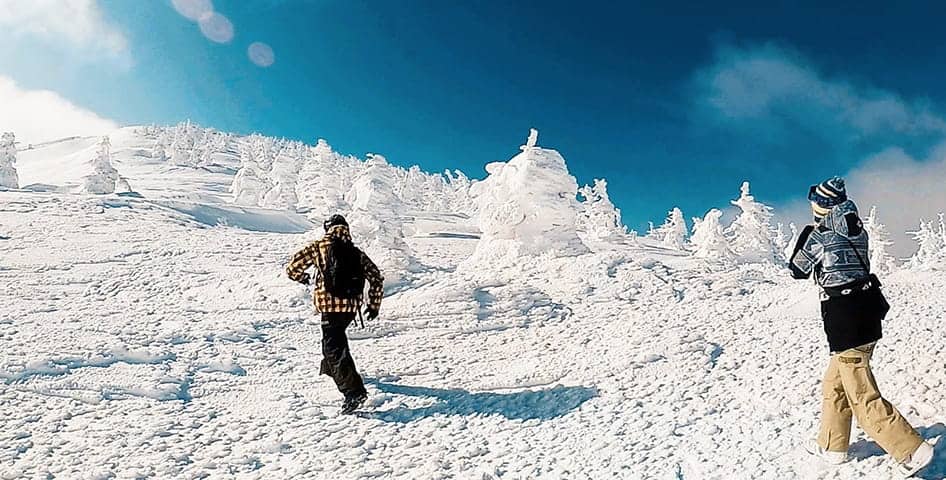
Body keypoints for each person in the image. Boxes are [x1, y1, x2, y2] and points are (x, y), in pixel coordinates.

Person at [789, 177, 934, 477]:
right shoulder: (858, 230)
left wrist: (808, 233)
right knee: (834, 384)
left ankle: (912, 450)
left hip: (845, 322)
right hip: (867, 315)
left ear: (822, 206)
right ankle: (832, 446)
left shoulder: (820, 236)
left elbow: (797, 270)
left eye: (814, 202)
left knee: (862, 395)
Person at [286, 214, 384, 414]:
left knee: (335, 349)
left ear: (327, 228)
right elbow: (376, 277)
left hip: (330, 308)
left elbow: (292, 268)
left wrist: (304, 278)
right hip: (351, 309)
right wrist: (374, 305)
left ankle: (353, 391)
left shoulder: (318, 247)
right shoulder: (356, 252)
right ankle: (334, 371)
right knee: (332, 343)